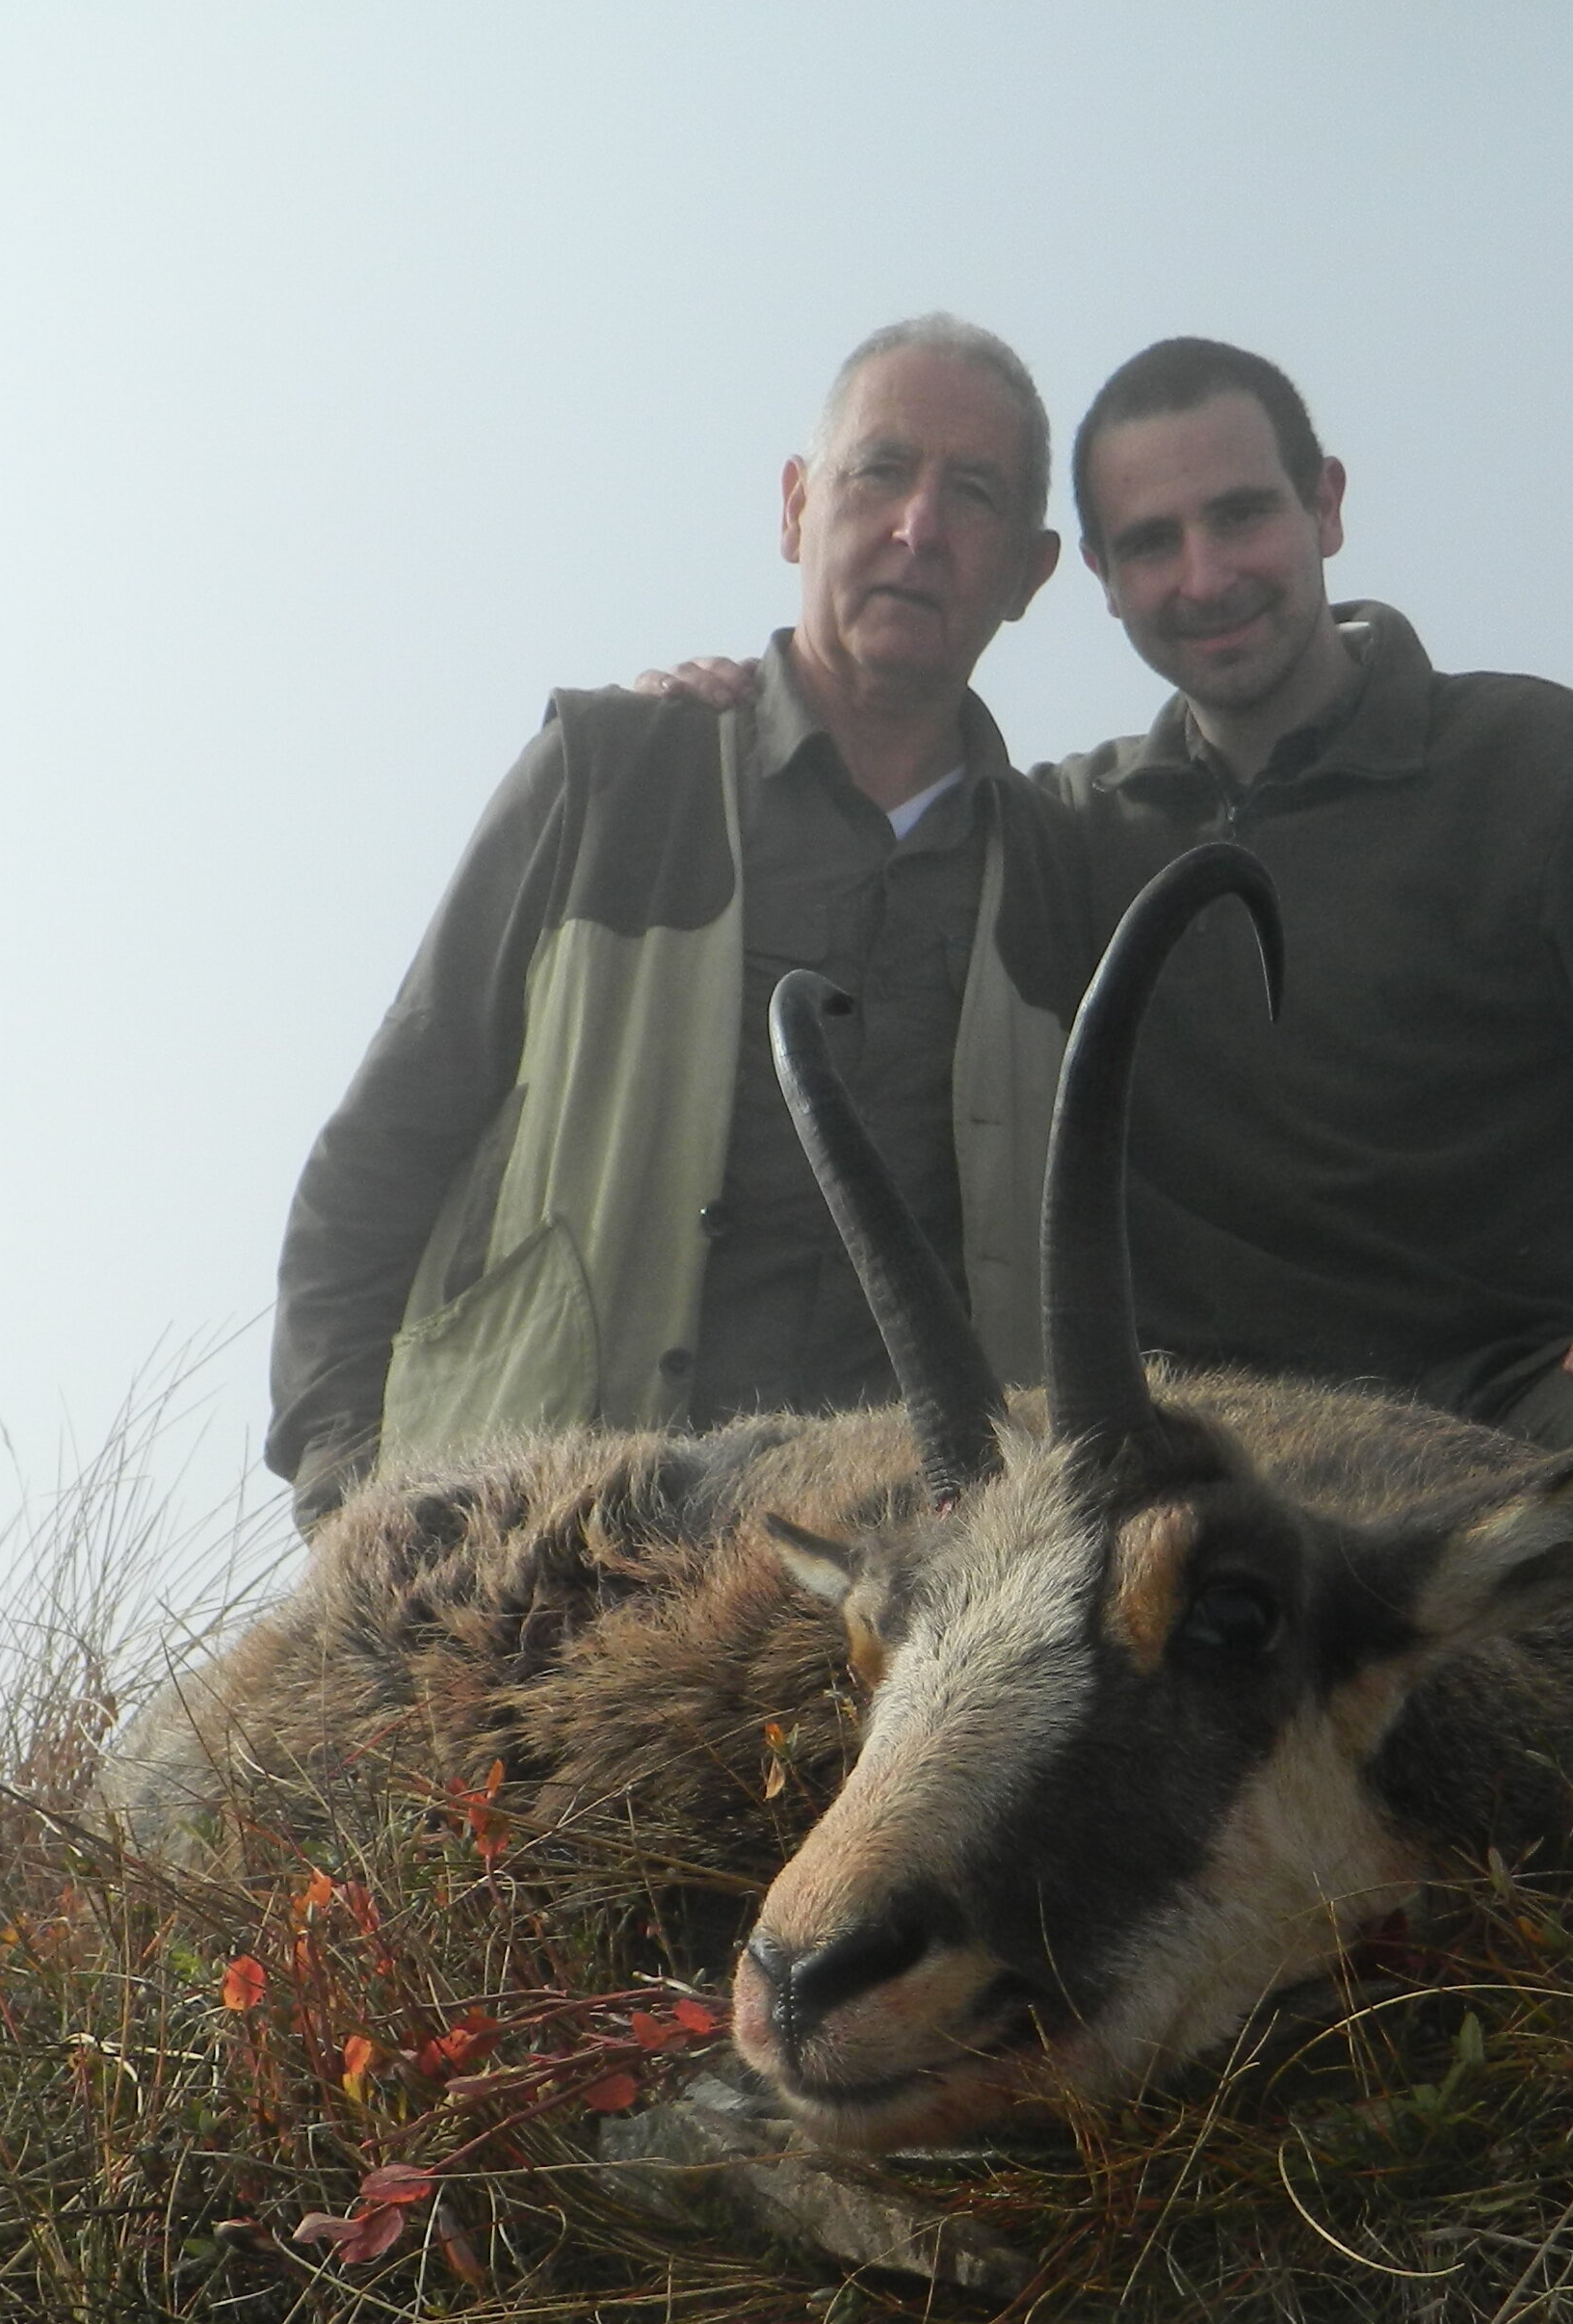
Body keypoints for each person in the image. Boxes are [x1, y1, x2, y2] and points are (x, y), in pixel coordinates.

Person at [650, 337, 1573, 1658]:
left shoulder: (1544, 771)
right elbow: (874, 817)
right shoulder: (1055, 840)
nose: (1206, 578)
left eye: (1242, 515)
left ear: (1323, 502)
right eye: (1151, 542)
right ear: (1095, 580)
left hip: (1512, 1420)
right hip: (1182, 1465)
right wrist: (729, 724)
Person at [261, 316, 1103, 1524]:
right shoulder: (610, 777)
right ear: (795, 507)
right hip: (546, 1581)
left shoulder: (1069, 881)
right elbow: (376, 1163)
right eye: (881, 471)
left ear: (1030, 573)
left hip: (902, 1623)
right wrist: (350, 1498)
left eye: (973, 493)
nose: (919, 526)